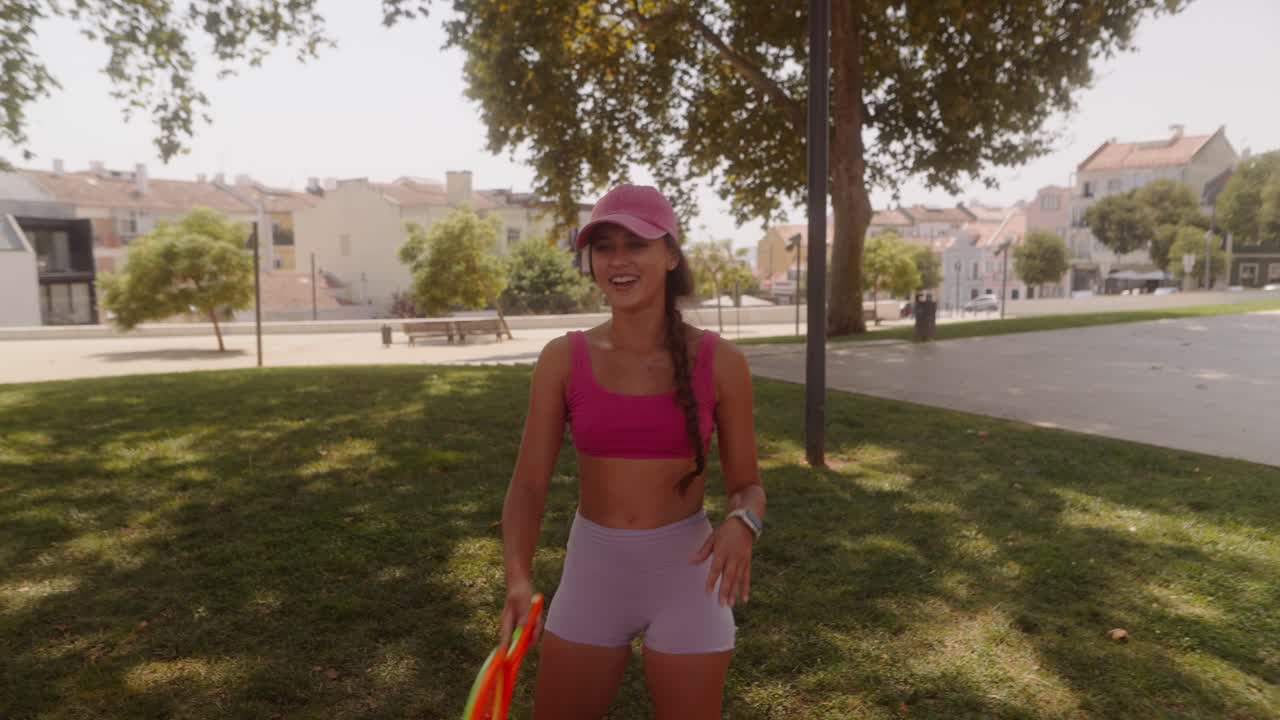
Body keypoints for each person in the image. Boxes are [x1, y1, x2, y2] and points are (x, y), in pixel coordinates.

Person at [498, 184, 766, 719]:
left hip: (689, 573)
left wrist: (743, 523)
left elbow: (748, 486)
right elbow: (528, 485)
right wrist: (519, 578)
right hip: (593, 572)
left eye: (636, 244)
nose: (618, 260)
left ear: (670, 255)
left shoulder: (722, 363)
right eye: (603, 247)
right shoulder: (562, 358)